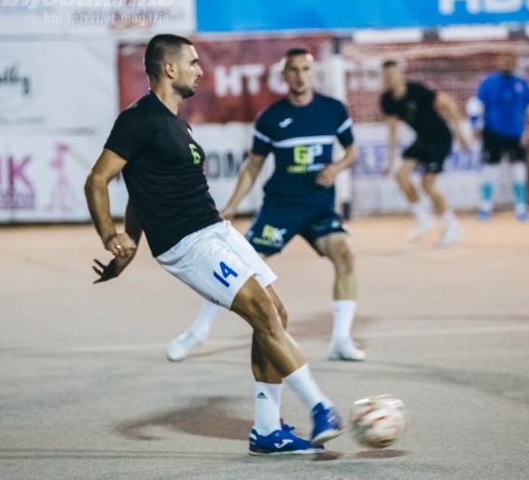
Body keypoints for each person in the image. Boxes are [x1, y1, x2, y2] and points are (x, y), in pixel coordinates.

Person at [84, 34, 342, 455]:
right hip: (186, 243)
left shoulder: (175, 121)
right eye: (192, 62)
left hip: (214, 230)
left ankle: (265, 430)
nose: (199, 69)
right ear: (169, 68)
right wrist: (111, 236)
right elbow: (98, 179)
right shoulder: (138, 120)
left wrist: (130, 239)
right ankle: (320, 406)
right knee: (262, 311)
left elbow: (139, 191)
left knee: (276, 311)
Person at [167, 48, 364, 363]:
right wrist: (231, 205)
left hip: (319, 208)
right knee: (234, 269)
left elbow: (351, 151)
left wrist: (337, 168)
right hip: (280, 209)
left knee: (345, 254)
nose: (300, 76)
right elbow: (253, 166)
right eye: (293, 70)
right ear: (284, 76)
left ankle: (341, 340)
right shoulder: (270, 118)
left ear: (313, 74)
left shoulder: (333, 110)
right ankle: (198, 333)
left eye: (305, 69)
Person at [380, 60, 469, 247]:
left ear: (400, 74)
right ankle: (423, 219)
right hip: (422, 139)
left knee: (427, 184)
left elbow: (449, 104)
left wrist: (460, 134)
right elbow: (392, 130)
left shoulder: (417, 90)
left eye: (393, 73)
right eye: (387, 75)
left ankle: (452, 225)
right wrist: (390, 160)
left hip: (440, 137)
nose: (391, 78)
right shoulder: (386, 100)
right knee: (401, 175)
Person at [469, 53, 529, 221]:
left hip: (516, 135)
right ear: (498, 61)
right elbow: (475, 105)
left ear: (514, 62)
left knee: (519, 170)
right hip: (492, 133)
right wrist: (475, 125)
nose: (507, 62)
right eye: (504, 59)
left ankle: (521, 208)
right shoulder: (489, 83)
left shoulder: (521, 84)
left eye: (510, 60)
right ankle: (485, 207)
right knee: (490, 170)